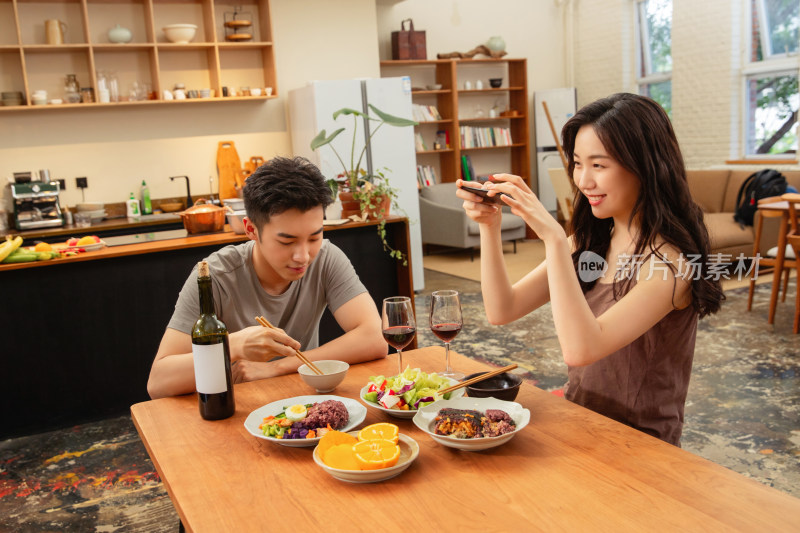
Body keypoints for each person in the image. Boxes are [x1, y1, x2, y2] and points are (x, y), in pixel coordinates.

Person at [456, 93, 724, 446]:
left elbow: (581, 349)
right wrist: (489, 228)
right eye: (578, 164)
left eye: (599, 165)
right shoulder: (591, 240)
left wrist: (552, 237)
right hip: (579, 422)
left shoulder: (671, 266)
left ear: (645, 166)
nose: (583, 181)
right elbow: (502, 310)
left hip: (641, 446)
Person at [147, 156, 387, 399]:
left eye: (314, 237)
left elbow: (375, 338)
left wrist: (276, 367)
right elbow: (159, 382)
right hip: (237, 408)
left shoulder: (326, 258)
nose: (303, 256)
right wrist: (234, 347)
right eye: (287, 241)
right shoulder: (216, 276)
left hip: (303, 403)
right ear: (251, 229)